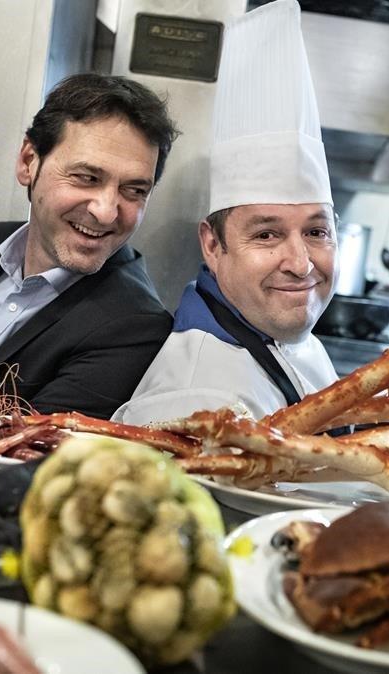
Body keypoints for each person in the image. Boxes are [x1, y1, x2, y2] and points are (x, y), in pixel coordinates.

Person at [0, 74, 178, 417]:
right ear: (28, 162)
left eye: (134, 190)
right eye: (87, 177)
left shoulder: (135, 326)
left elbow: (22, 454)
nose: (105, 211)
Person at [113, 0, 338, 425]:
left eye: (317, 232)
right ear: (213, 245)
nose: (301, 263)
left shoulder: (284, 333)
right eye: (267, 235)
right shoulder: (198, 403)